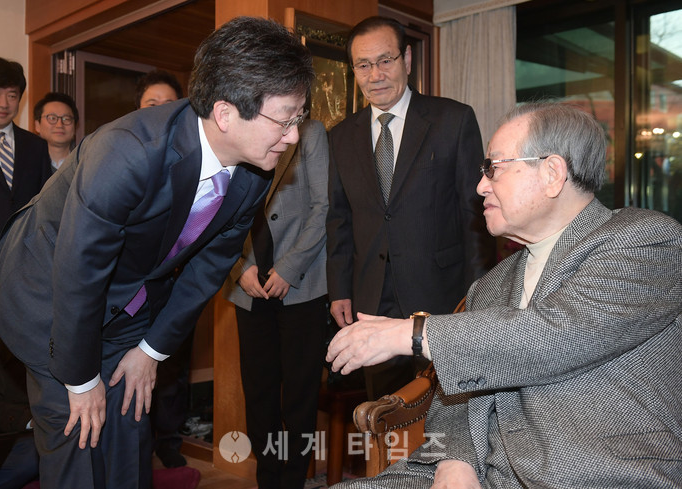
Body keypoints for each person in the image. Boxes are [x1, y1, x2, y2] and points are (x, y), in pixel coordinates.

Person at [0, 16, 313, 489]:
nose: (293, 137)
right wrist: (80, 380)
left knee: (127, 431)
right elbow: (79, 271)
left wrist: (150, 350)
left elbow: (209, 267)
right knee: (77, 437)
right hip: (51, 300)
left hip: (129, 302)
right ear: (225, 114)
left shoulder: (254, 169)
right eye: (284, 120)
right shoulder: (127, 151)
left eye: (298, 119)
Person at [326, 102, 682, 488]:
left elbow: (555, 334)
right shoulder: (490, 285)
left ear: (552, 174)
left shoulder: (644, 241)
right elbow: (456, 392)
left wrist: (411, 333)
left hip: (598, 475)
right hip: (488, 474)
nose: (480, 186)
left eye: (493, 168)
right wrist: (455, 458)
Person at [326, 16, 494, 400]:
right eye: (363, 65)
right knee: (386, 411)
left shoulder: (452, 120)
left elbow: (474, 215)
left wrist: (478, 296)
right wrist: (339, 289)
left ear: (407, 59)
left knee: (445, 409)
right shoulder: (341, 136)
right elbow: (339, 218)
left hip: (441, 296)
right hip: (371, 298)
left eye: (385, 60)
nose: (375, 75)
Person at [222, 118, 329, 489]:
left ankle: (294, 480)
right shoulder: (235, 130)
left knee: (300, 397)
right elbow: (218, 210)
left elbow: (322, 207)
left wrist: (289, 268)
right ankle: (268, 480)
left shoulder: (309, 133)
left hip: (302, 283)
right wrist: (239, 268)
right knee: (259, 394)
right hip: (248, 285)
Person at [134, 69, 193, 469]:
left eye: (168, 104)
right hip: (130, 290)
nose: (159, 111)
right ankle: (137, 441)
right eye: (150, 103)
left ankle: (169, 439)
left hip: (176, 282)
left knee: (172, 366)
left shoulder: (194, 156)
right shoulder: (125, 153)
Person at [0, 57, 52, 324]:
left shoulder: (36, 146)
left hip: (22, 271)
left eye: (12, 95)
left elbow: (44, 207)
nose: (4, 103)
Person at [0, 321, 39, 489]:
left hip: (57, 415)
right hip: (17, 429)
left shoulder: (62, 328)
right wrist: (32, 420)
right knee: (32, 457)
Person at [33, 91, 79, 172]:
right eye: (52, 118)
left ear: (75, 127)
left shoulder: (85, 164)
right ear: (37, 125)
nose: (59, 125)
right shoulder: (26, 164)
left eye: (66, 119)